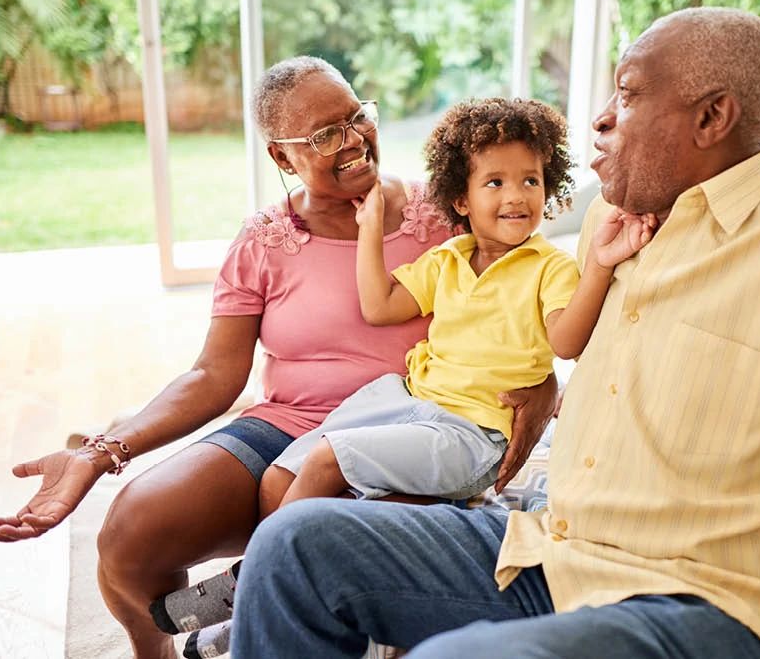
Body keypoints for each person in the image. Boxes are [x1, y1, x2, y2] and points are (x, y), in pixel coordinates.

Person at [228, 8, 760, 659]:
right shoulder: (613, 234)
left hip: (703, 605)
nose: (600, 118)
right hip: (550, 552)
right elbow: (580, 350)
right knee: (294, 545)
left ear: (712, 116)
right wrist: (543, 380)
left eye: (628, 93)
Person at [0, 57, 558, 659]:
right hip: (289, 425)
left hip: (424, 424)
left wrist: (544, 385)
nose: (354, 140)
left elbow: (529, 296)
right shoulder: (262, 240)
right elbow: (212, 374)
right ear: (283, 158)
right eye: (324, 135)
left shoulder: (450, 213)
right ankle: (162, 650)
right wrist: (101, 453)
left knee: (346, 542)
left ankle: (252, 611)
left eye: (357, 117)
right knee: (132, 531)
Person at [149, 99, 657, 653]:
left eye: (530, 180)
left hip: (471, 431)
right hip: (407, 402)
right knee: (278, 480)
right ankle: (278, 601)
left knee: (325, 462)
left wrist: (602, 265)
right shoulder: (448, 258)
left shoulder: (551, 267)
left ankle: (247, 588)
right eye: (495, 183)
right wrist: (369, 229)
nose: (516, 196)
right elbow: (381, 305)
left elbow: (566, 342)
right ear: (461, 199)